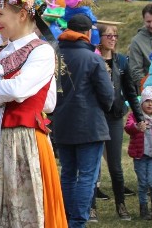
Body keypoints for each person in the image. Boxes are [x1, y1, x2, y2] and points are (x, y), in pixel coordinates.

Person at [53, 13, 114, 228]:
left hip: (62, 122)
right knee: (87, 175)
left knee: (68, 172)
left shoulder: (54, 54)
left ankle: (66, 218)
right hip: (89, 124)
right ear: (88, 33)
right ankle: (78, 221)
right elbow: (107, 95)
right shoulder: (93, 58)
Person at [92, 22, 143, 221]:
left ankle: (121, 204)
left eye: (115, 36)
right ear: (99, 38)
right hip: (95, 116)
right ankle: (91, 206)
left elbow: (130, 90)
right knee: (93, 165)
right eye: (108, 35)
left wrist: (139, 117)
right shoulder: (92, 59)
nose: (112, 39)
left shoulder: (121, 61)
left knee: (115, 166)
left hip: (114, 116)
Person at [125, 85, 152, 220]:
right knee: (143, 183)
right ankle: (143, 208)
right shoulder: (134, 117)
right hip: (140, 156)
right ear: (141, 103)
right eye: (147, 101)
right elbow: (128, 128)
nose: (150, 104)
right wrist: (136, 127)